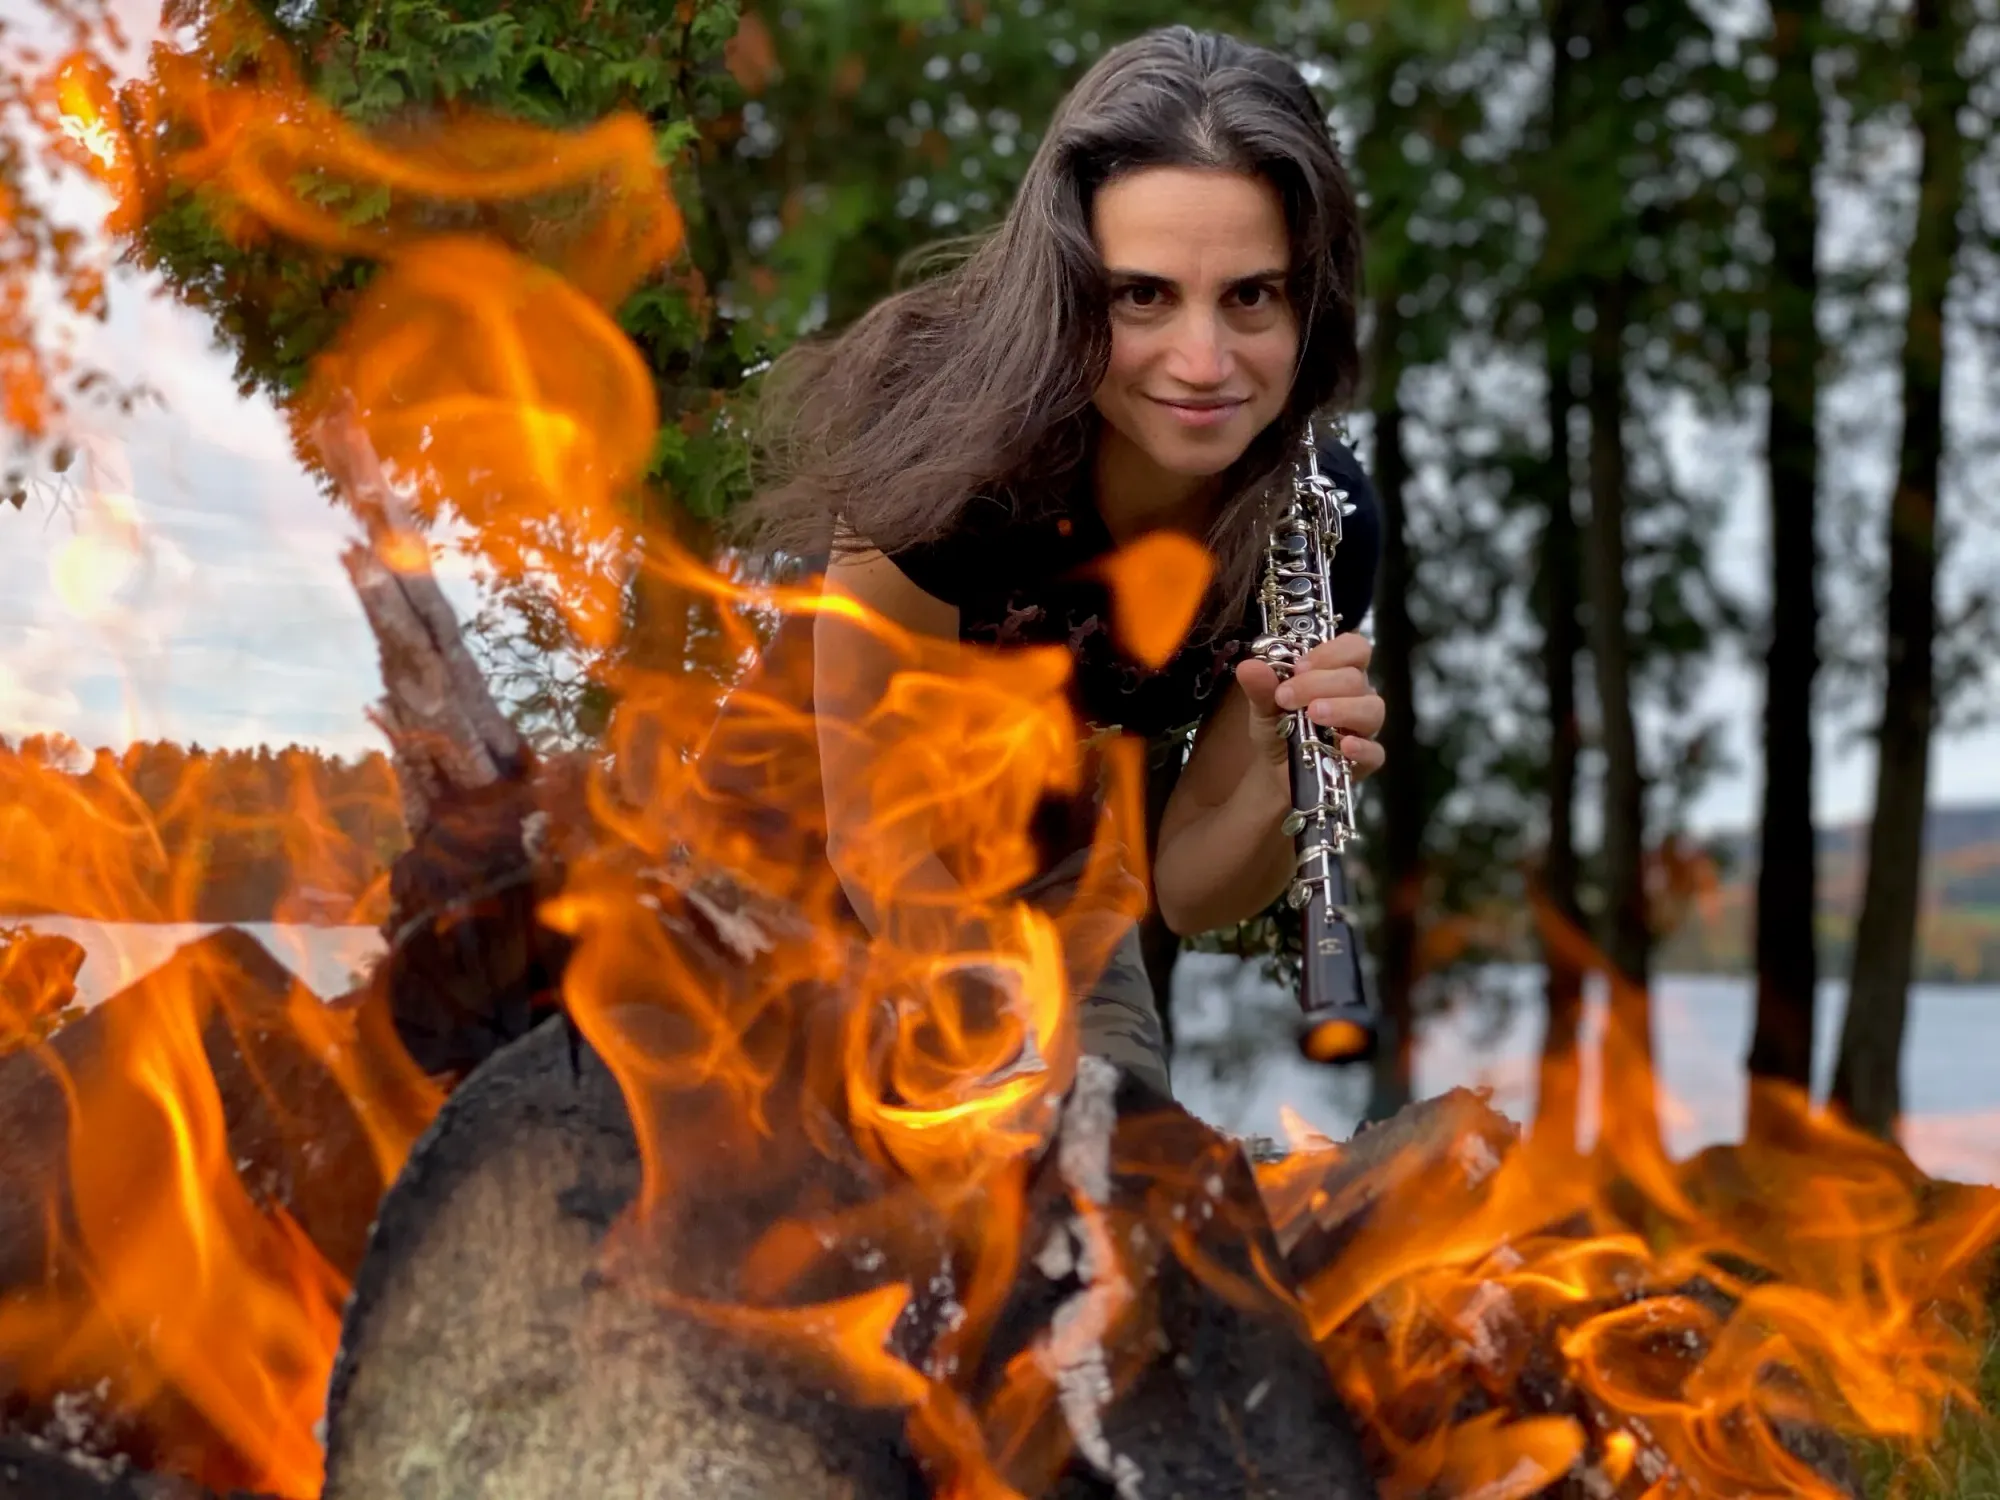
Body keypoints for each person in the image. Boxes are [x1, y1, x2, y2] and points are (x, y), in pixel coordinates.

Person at [730, 25, 1387, 1101]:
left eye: (1250, 296)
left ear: (1307, 294)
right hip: (792, 827)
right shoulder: (944, 450)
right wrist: (1007, 1044)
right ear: (1069, 281)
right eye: (1142, 296)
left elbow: (1181, 884)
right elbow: (874, 841)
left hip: (1043, 858)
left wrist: (1277, 783)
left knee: (1114, 1177)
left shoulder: (1316, 521)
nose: (1202, 362)